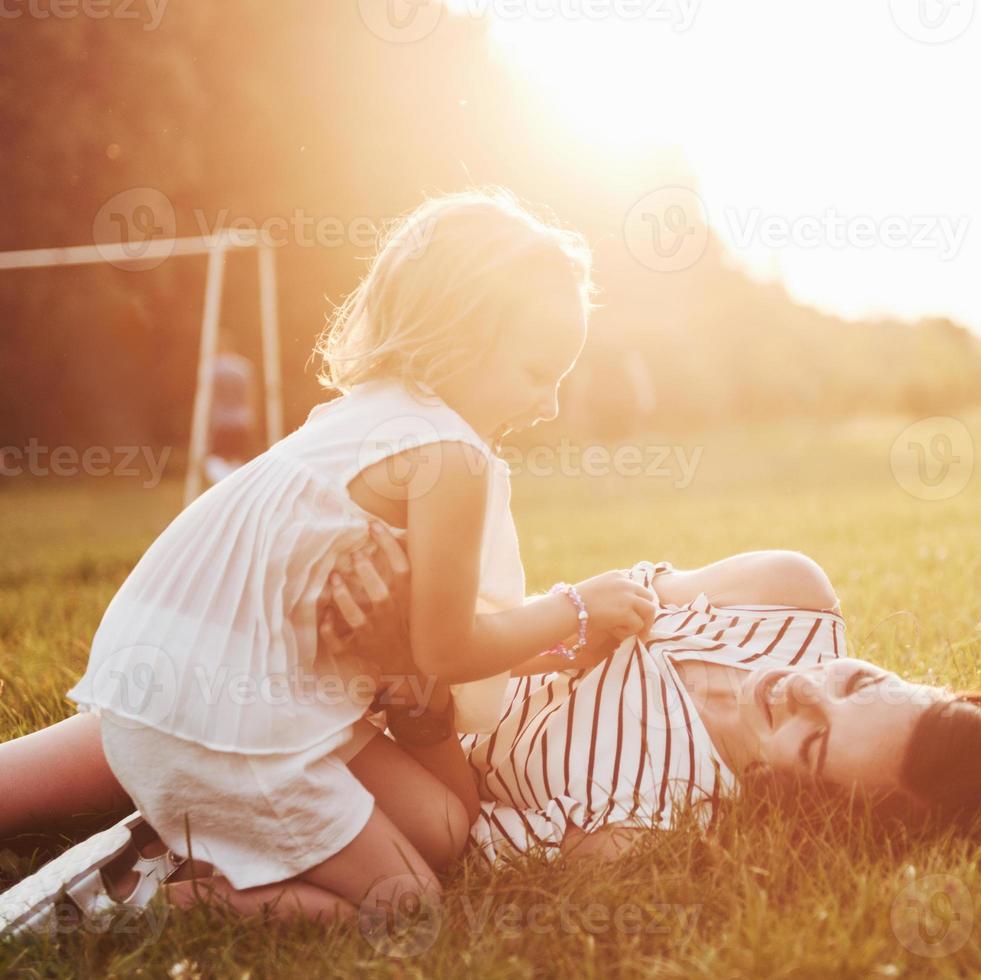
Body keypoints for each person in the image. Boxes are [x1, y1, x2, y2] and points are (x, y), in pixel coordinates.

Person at [19, 189, 666, 925]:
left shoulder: (361, 415)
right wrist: (577, 609)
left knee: (443, 833)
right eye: (536, 372)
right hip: (232, 730)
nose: (548, 404)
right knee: (404, 903)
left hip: (162, 697)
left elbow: (423, 632)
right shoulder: (452, 458)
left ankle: (195, 841)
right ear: (460, 337)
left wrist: (542, 641)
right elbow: (445, 647)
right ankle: (128, 905)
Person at [1, 550, 981, 930]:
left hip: (397, 754)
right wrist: (433, 628)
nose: (795, 683)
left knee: (247, 702)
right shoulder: (790, 596)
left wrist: (421, 700)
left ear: (805, 803)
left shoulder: (653, 818)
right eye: (856, 677)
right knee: (205, 691)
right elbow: (564, 598)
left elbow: (450, 829)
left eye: (814, 739)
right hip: (444, 641)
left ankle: (151, 861)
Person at [203, 343, 257, 485]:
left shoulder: (213, 367)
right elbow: (250, 395)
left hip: (222, 421)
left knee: (212, 461)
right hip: (242, 419)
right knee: (236, 460)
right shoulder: (243, 366)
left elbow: (211, 396)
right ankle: (235, 484)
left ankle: (227, 484)